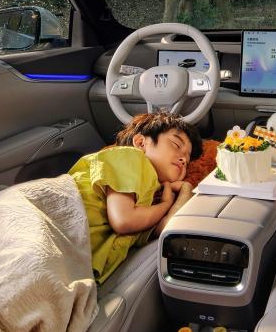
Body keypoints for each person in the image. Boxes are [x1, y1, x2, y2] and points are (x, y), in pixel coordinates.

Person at [69, 112, 203, 282]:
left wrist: (186, 189)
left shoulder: (153, 196)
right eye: (176, 145)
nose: (184, 159)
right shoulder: (130, 157)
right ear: (140, 143)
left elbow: (169, 227)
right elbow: (123, 220)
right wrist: (164, 205)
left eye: (188, 159)